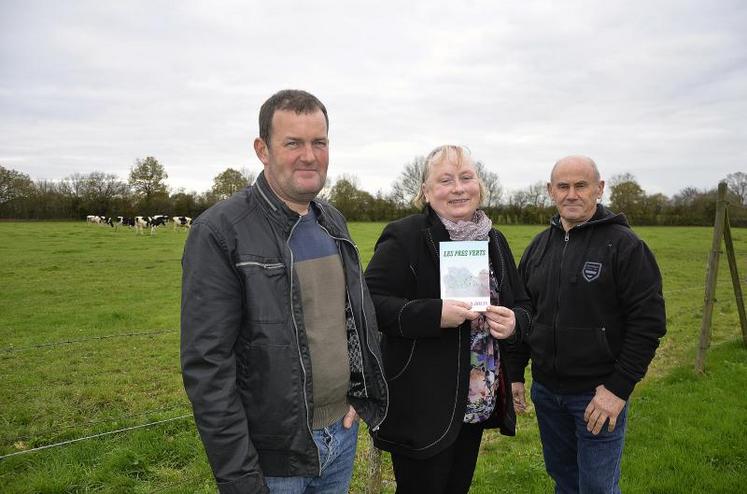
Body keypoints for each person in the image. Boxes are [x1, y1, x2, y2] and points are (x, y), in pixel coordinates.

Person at [180, 89, 388, 494]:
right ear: (263, 149)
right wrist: (239, 476)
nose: (309, 156)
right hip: (270, 458)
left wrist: (358, 399)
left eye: (319, 142)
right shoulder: (221, 231)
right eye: (293, 143)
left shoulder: (332, 222)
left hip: (339, 436)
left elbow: (352, 321)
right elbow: (208, 366)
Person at [365, 145, 532, 494]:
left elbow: (523, 305)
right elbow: (370, 304)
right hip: (423, 404)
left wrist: (514, 322)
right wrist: (432, 314)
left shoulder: (494, 240)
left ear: (480, 187)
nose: (458, 188)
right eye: (445, 180)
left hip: (475, 403)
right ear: (426, 192)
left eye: (466, 177)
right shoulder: (406, 235)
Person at [508, 155, 666, 493]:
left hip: (597, 396)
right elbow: (524, 314)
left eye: (581, 185)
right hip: (548, 392)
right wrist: (515, 373)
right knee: (564, 480)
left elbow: (648, 323)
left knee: (596, 487)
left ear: (599, 188)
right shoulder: (538, 247)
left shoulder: (625, 246)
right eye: (563, 186)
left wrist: (618, 389)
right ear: (550, 191)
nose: (572, 194)